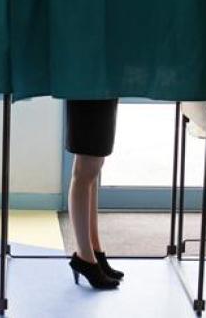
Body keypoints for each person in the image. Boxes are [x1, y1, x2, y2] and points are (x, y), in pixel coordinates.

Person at [65, 99, 124, 290]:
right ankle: (85, 256)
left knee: (94, 166)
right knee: (86, 169)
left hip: (99, 83)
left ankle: (94, 250)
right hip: (87, 84)